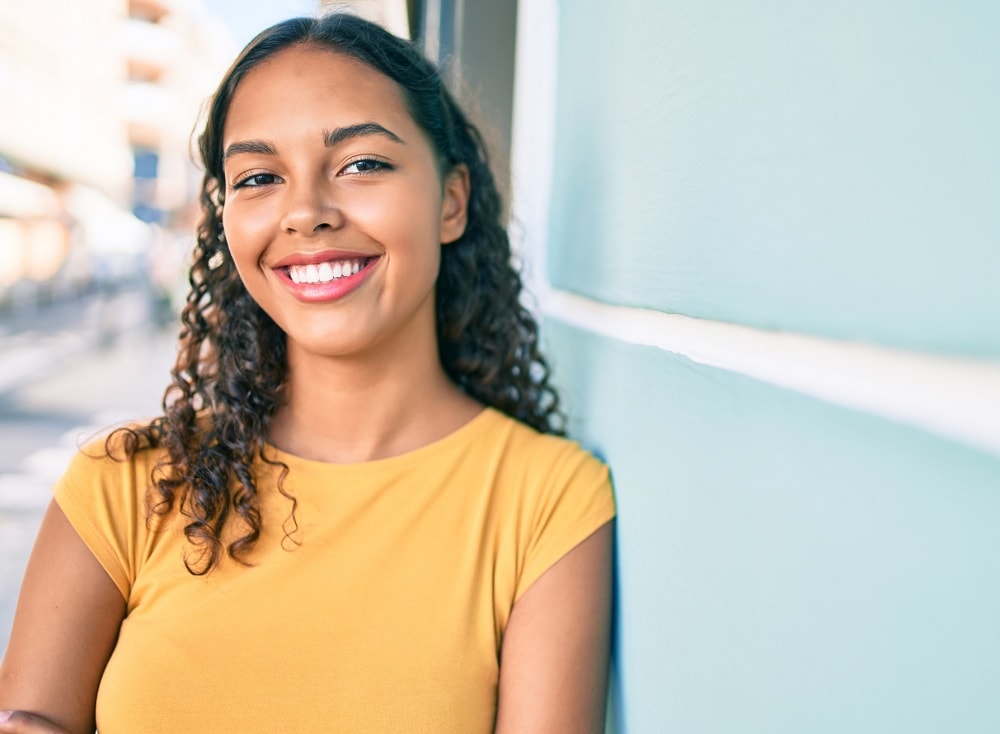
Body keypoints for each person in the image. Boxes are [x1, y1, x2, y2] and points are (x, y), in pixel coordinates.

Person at [0, 12, 614, 734]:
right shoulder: (123, 484)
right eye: (260, 177)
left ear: (452, 200)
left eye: (361, 164)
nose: (306, 212)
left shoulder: (549, 502)